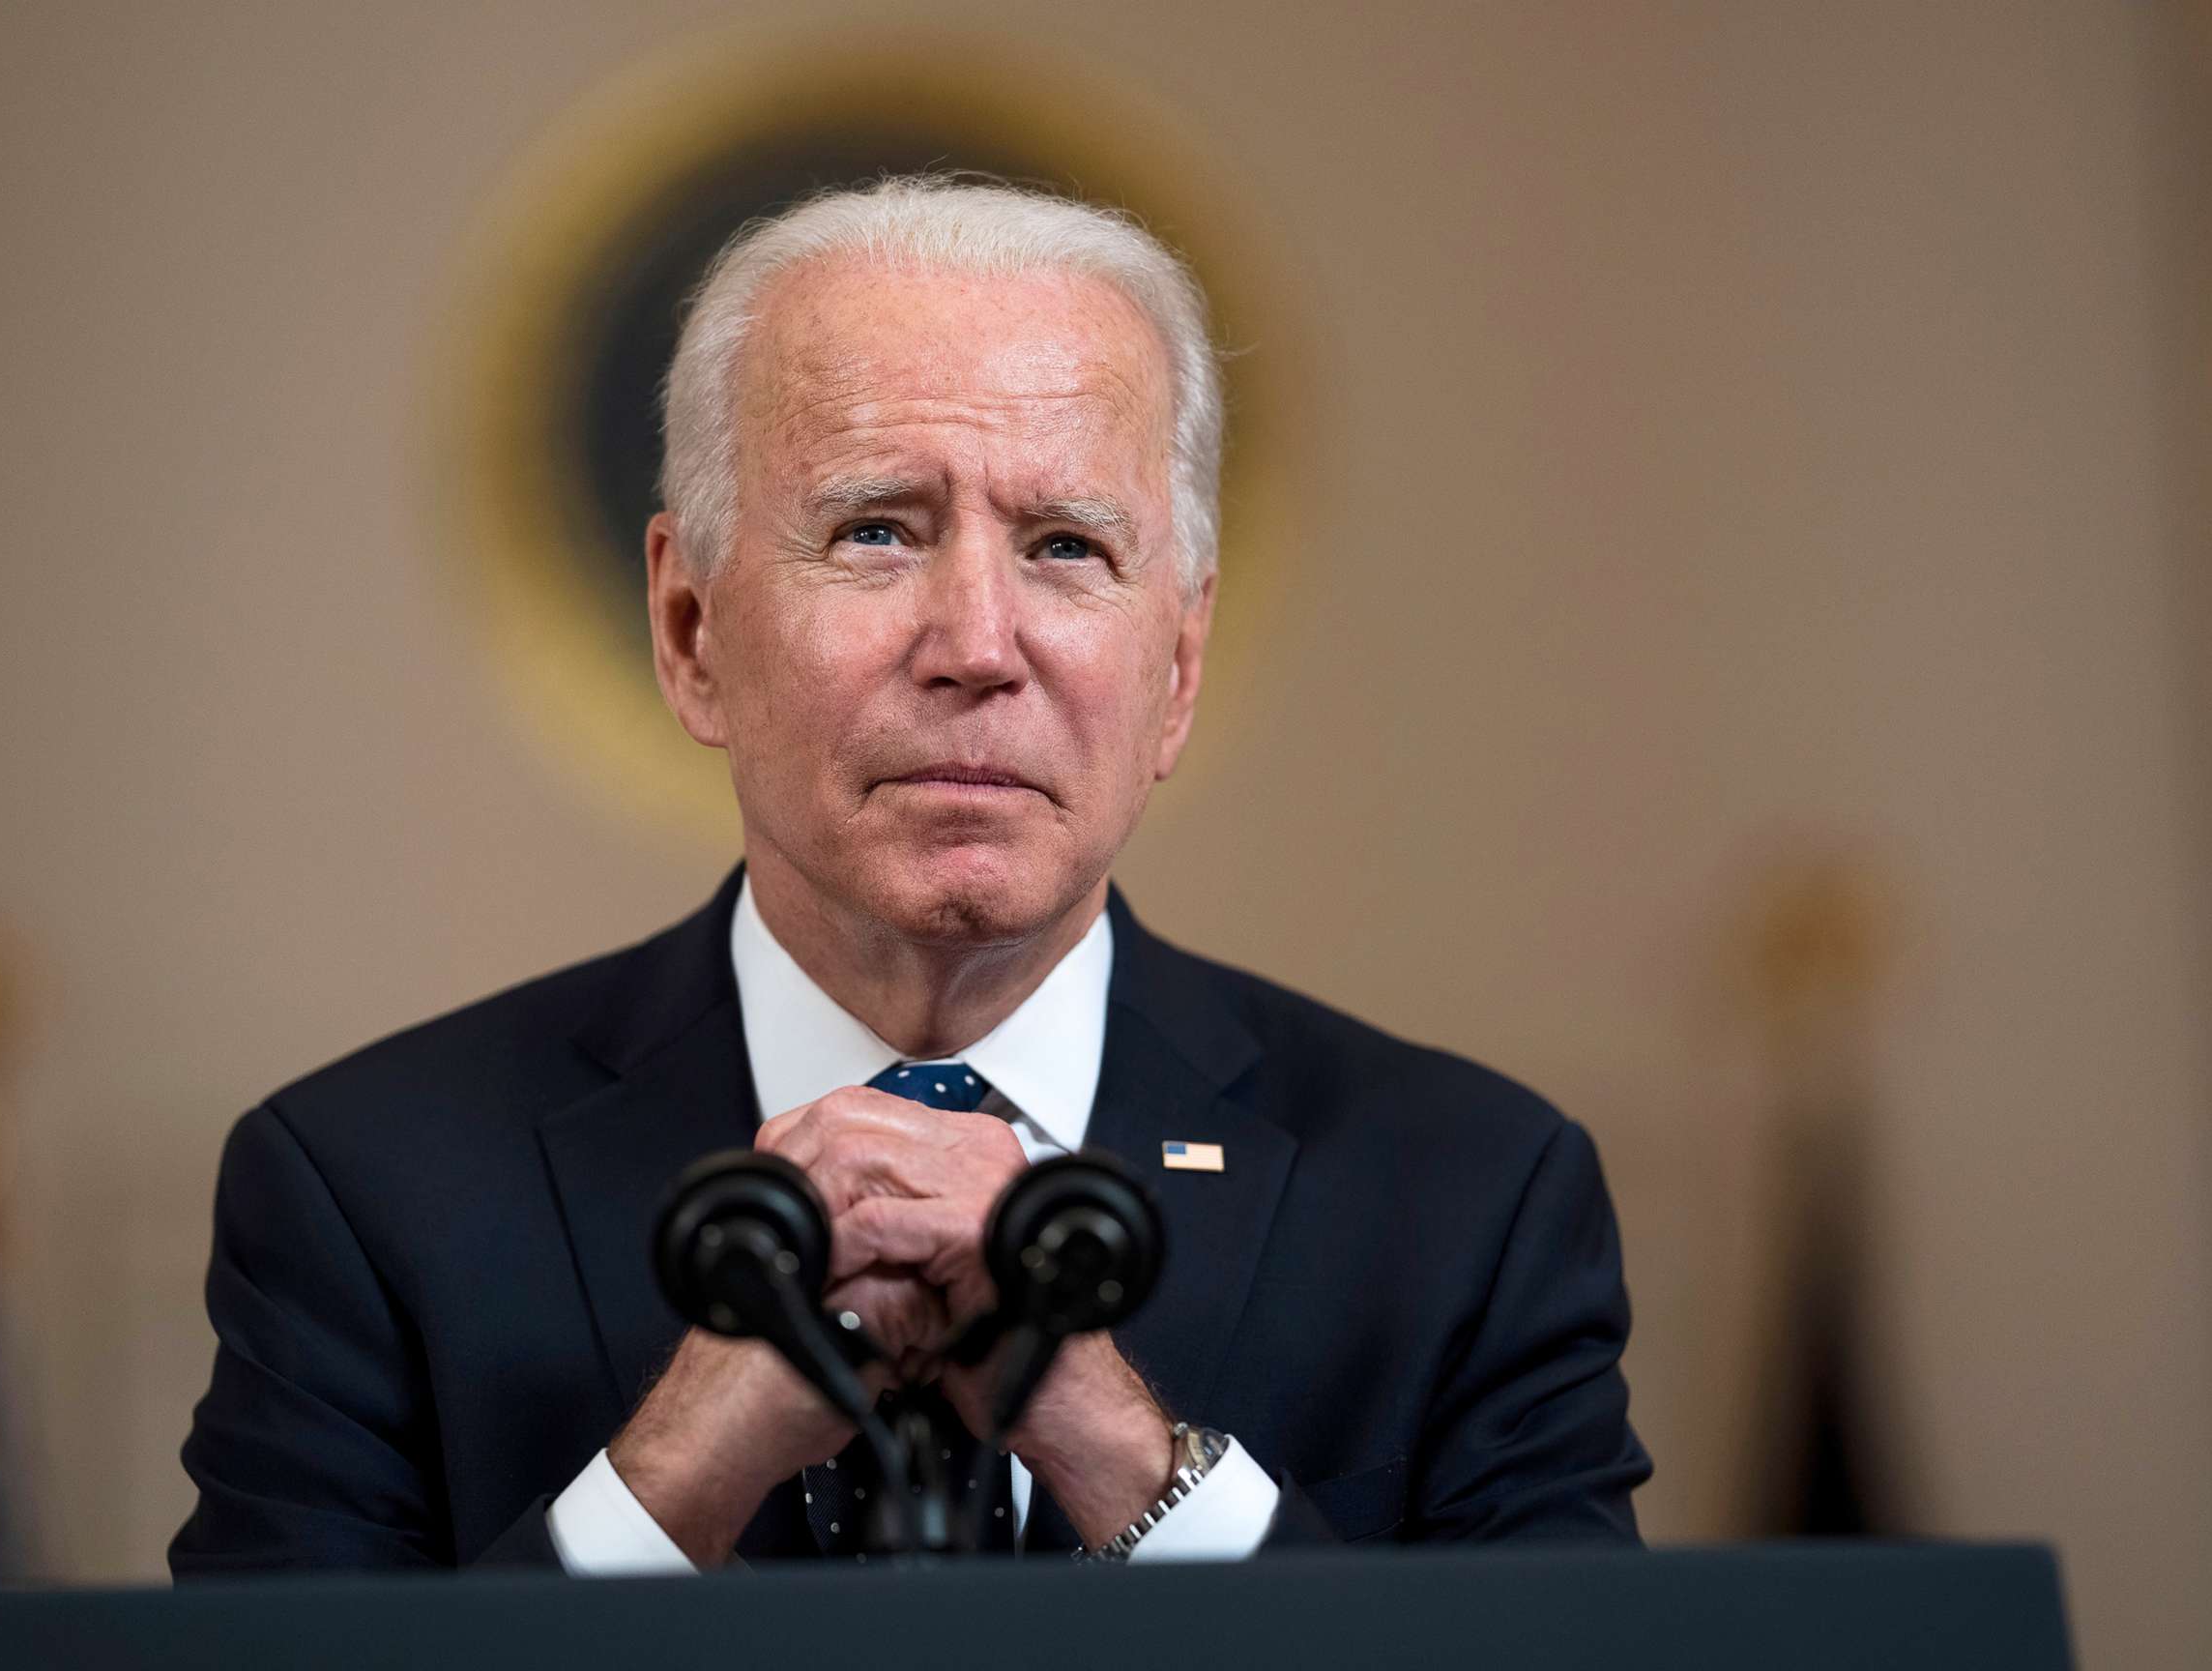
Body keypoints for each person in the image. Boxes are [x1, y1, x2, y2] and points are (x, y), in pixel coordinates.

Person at [168, 176, 1649, 1575]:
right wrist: (668, 1479)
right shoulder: (365, 1196)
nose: (979, 646)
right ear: (691, 631)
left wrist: (1119, 1445)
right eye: (878, 531)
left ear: (1177, 670)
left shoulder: (1471, 1203)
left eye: (1067, 546)